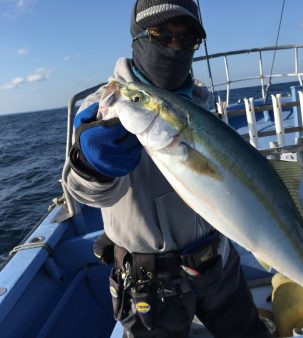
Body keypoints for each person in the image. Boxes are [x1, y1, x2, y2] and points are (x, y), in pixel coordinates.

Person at [62, 1, 272, 337]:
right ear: (139, 38)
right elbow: (82, 191)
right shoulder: (106, 107)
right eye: (162, 34)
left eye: (185, 39)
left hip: (216, 263)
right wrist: (90, 165)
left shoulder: (198, 102)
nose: (175, 46)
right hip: (150, 283)